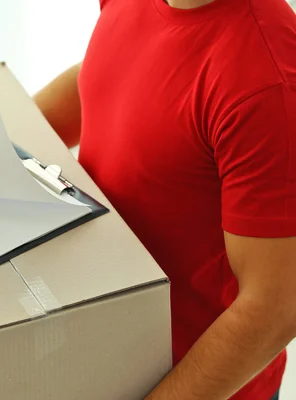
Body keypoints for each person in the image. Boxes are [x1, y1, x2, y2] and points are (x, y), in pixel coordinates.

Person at [34, 0, 296, 399]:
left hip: (190, 380)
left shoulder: (268, 82)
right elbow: (110, 68)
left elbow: (276, 308)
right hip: (101, 341)